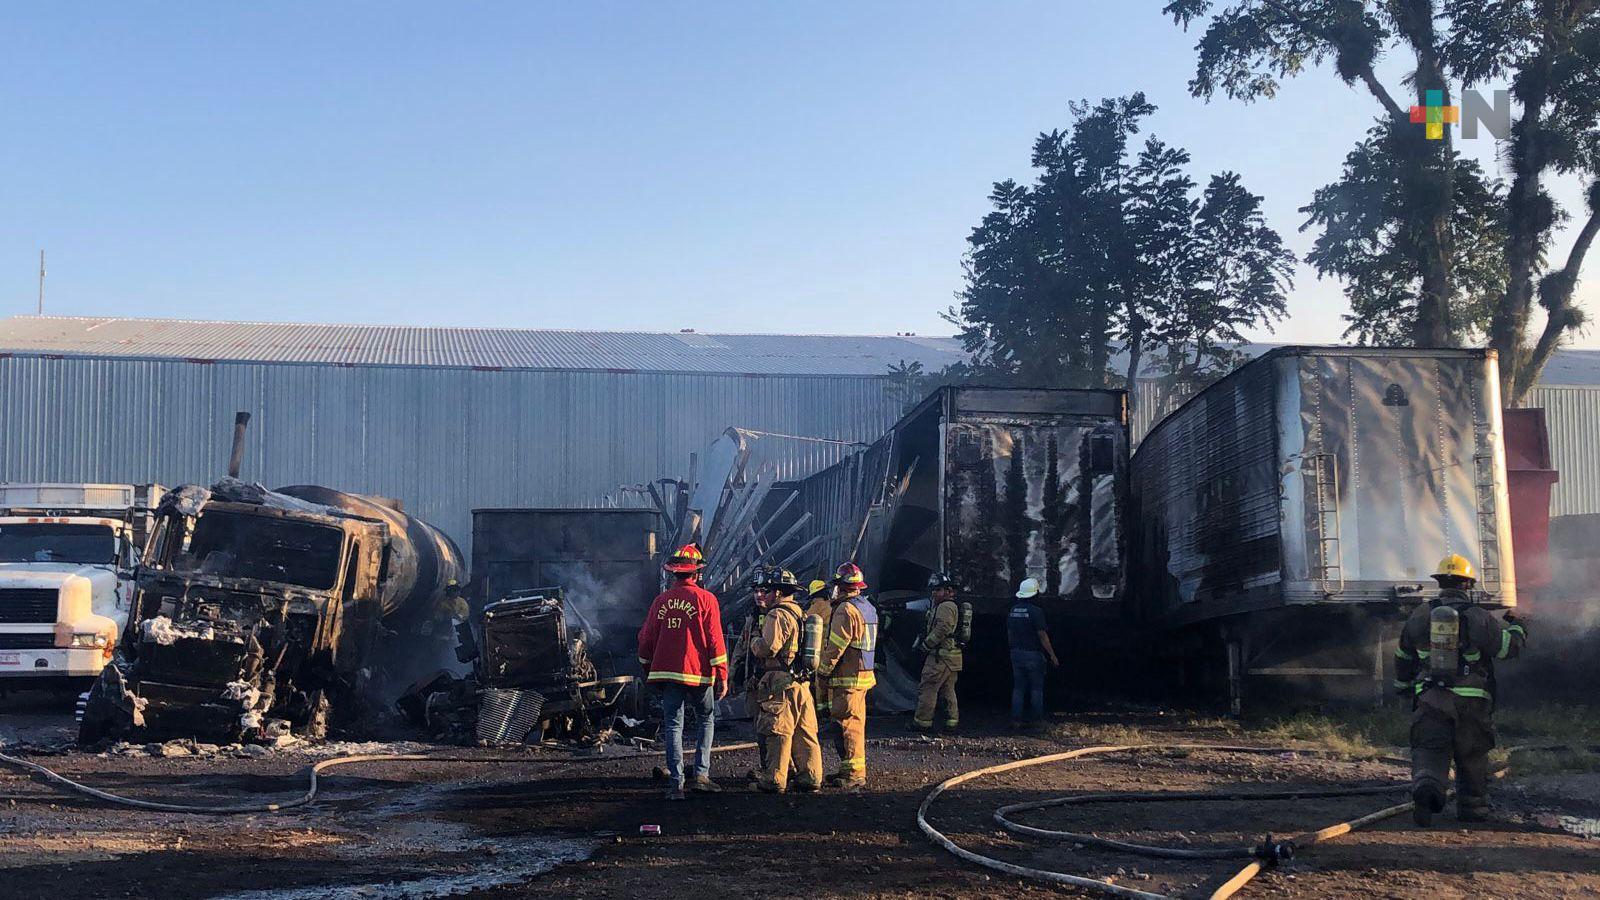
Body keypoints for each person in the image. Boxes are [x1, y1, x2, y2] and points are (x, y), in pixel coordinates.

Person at [1395, 554, 1526, 826]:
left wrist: (1405, 687)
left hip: (1430, 697)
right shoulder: (1479, 617)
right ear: (1468, 586)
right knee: (1472, 753)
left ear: (1440, 583)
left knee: (1430, 749)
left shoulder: (1420, 615)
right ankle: (1472, 808)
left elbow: (1403, 655)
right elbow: (1506, 649)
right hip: (1472, 700)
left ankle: (1427, 788)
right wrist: (1517, 626)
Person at [637, 543, 729, 801]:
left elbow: (646, 639)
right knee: (705, 719)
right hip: (699, 673)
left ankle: (676, 784)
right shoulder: (706, 600)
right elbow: (715, 640)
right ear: (697, 573)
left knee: (673, 726)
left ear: (673, 573)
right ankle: (701, 775)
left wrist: (647, 668)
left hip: (668, 675)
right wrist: (722, 673)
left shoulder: (661, 601)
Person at [748, 566, 823, 793]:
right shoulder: (799, 612)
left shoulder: (777, 614)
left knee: (777, 731)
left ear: (779, 592)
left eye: (767, 590)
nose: (761, 595)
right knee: (805, 731)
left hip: (779, 682)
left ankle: (774, 780)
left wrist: (754, 641)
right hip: (800, 683)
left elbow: (768, 648)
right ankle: (810, 777)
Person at [816, 561, 877, 791]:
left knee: (847, 725)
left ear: (841, 587)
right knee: (855, 724)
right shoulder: (867, 607)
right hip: (863, 676)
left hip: (847, 677)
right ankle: (849, 768)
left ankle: (853, 773)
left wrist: (822, 672)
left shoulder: (845, 610)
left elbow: (836, 647)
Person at [911, 571, 963, 733]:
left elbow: (943, 629)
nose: (934, 593)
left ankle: (922, 723)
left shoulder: (946, 606)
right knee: (947, 690)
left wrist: (927, 644)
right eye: (933, 590)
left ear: (948, 591)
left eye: (938, 590)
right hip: (951, 658)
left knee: (928, 688)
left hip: (939, 657)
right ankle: (951, 722)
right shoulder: (946, 606)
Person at [1007, 577, 1058, 730]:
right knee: (1036, 688)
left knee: (1018, 688)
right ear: (1035, 594)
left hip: (1016, 653)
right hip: (1033, 654)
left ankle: (1016, 721)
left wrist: (1013, 649)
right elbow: (1042, 636)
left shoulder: (1013, 611)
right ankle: (1037, 721)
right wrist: (1052, 655)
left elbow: (1009, 633)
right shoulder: (1036, 612)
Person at [804, 579, 833, 720]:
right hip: (831, 649)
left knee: (818, 681)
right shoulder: (831, 606)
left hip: (819, 649)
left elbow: (804, 620)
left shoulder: (816, 606)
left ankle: (821, 711)